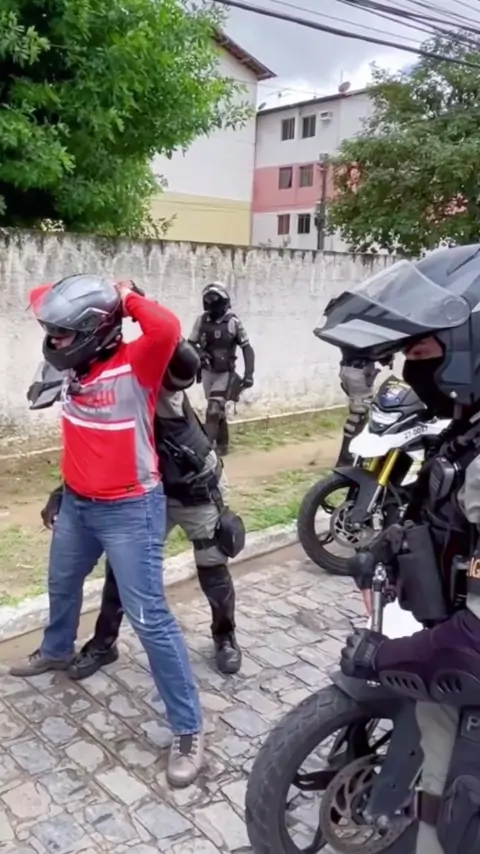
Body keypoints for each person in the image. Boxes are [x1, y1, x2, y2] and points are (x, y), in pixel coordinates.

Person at [315, 244, 480, 854]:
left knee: (454, 823)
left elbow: (474, 647)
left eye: (422, 352)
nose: (410, 368)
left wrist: (386, 656)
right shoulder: (467, 427)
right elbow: (445, 511)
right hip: (449, 647)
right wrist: (394, 543)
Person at [11, 274, 204, 788]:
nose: (54, 341)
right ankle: (56, 649)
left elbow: (166, 328)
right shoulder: (71, 369)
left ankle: (188, 728)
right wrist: (61, 491)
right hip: (78, 504)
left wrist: (126, 296)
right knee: (62, 584)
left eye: (63, 334)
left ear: (95, 331)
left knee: (150, 618)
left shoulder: (138, 364)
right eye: (52, 333)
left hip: (130, 509)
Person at [38, 339, 244, 680]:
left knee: (212, 564)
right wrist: (63, 492)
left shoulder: (158, 384)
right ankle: (104, 643)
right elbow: (94, 455)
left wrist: (141, 317)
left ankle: (225, 637)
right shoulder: (104, 393)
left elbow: (184, 360)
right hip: (145, 497)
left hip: (193, 490)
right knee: (122, 569)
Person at [188, 282, 255, 456]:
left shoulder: (233, 322)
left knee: (213, 410)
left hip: (224, 374)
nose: (212, 305)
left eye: (215, 301)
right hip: (207, 372)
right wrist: (200, 353)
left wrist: (249, 374)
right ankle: (223, 445)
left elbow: (247, 348)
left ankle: (205, 450)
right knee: (218, 410)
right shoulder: (201, 320)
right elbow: (190, 343)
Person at [335, 347, 392, 465]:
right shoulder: (367, 340)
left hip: (347, 369)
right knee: (360, 415)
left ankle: (349, 457)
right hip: (359, 372)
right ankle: (348, 459)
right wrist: (388, 354)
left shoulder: (351, 337)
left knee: (358, 413)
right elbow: (375, 352)